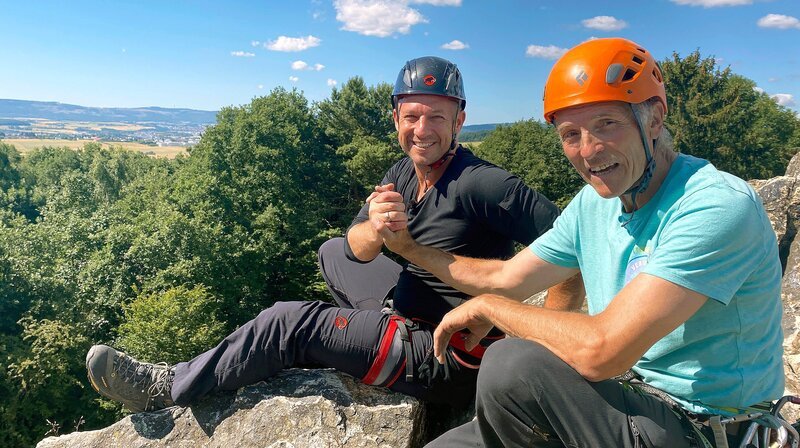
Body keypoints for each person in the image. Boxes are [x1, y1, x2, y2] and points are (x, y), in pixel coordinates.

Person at [85, 56, 578, 414]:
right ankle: (364, 328)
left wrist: (542, 344)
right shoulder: (403, 172)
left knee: (289, 322)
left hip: (439, 351)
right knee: (331, 254)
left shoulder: (484, 185)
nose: (422, 129)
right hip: (404, 303)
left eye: (436, 117)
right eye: (411, 116)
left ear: (460, 121)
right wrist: (377, 228)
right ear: (396, 119)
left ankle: (167, 387)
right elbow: (356, 247)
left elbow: (574, 247)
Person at [375, 38, 785, 447]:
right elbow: (506, 278)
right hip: (619, 402)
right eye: (571, 134)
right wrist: (411, 248)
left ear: (655, 120)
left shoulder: (713, 205)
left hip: (702, 427)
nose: (589, 150)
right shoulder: (595, 203)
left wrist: (489, 308)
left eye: (607, 123)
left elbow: (602, 350)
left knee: (511, 362)